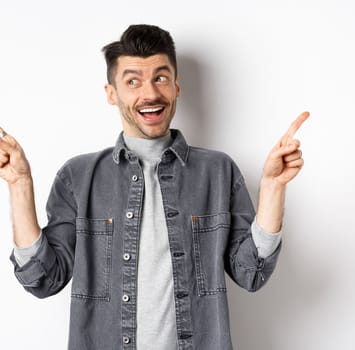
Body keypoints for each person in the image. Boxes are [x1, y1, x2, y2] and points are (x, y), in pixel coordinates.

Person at [1, 24, 307, 349]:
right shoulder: (78, 177)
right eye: (133, 81)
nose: (150, 94)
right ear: (111, 93)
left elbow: (251, 274)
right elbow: (44, 280)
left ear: (176, 86)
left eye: (160, 78)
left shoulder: (218, 172)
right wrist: (20, 184)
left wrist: (273, 187)